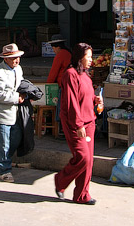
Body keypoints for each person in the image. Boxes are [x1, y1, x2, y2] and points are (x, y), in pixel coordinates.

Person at [54, 42, 102, 205]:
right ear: (79, 57)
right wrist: (78, 125)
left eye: (91, 56)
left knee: (89, 161)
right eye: (88, 57)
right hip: (76, 123)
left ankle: (82, 194)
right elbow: (71, 102)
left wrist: (96, 100)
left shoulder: (85, 75)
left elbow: (86, 96)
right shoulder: (70, 74)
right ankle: (61, 181)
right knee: (83, 157)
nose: (91, 60)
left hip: (90, 121)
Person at [0, 42, 26, 182]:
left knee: (16, 138)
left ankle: (4, 159)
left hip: (15, 113)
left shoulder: (18, 69)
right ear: (5, 58)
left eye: (18, 57)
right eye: (13, 58)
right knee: (3, 143)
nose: (16, 60)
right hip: (1, 114)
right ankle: (5, 170)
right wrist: (18, 98)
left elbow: (21, 84)